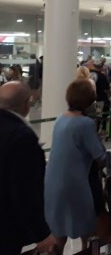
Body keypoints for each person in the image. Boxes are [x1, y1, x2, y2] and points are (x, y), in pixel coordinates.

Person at [44, 79, 111, 254]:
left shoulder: (60, 119)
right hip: (74, 186)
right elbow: (101, 156)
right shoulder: (85, 124)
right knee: (87, 231)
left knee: (59, 233)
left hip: (52, 184)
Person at [0, 82, 57, 255]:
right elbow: (24, 190)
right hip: (6, 228)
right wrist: (42, 233)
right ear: (27, 104)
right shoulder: (21, 137)